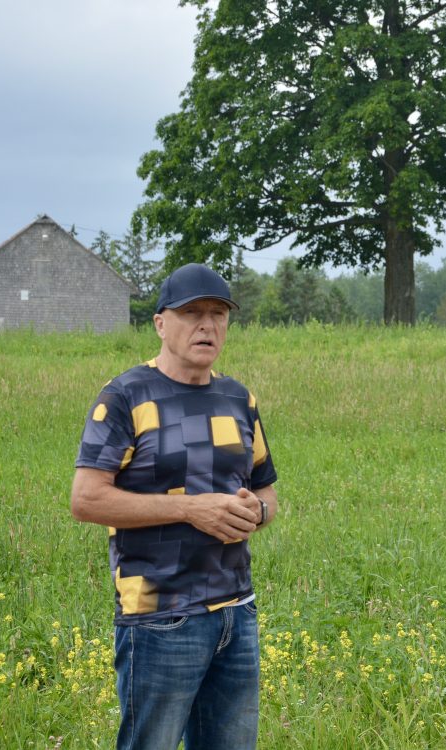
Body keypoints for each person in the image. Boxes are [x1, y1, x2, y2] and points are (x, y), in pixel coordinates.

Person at [71, 263, 279, 749]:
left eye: (218, 314)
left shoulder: (238, 398)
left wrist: (257, 512)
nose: (207, 325)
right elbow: (86, 499)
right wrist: (190, 509)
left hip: (237, 612)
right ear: (160, 323)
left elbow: (267, 492)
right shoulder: (125, 397)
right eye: (192, 313)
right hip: (159, 617)